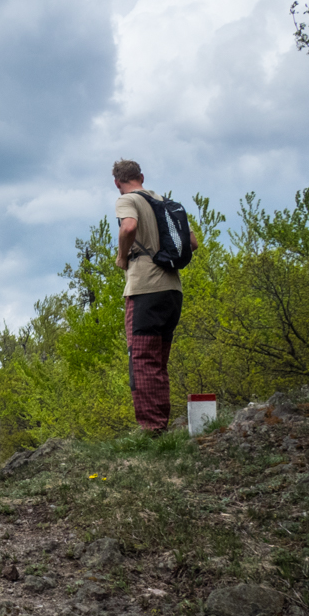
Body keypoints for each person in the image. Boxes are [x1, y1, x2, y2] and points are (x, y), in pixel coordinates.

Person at [112, 159, 198, 434]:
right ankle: (161, 425)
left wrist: (122, 256)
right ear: (142, 176)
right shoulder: (165, 203)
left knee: (142, 359)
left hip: (145, 288)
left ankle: (152, 430)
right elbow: (192, 243)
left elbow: (128, 228)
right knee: (158, 362)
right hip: (173, 290)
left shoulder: (127, 200)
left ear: (117, 182)